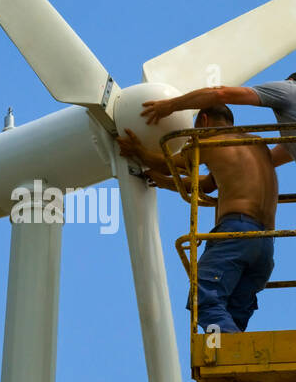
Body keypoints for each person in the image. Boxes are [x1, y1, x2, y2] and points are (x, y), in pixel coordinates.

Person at [141, 72, 296, 330]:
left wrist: (168, 107)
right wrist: (159, 179)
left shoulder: (290, 91)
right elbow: (235, 171)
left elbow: (221, 93)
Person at [118, 106, 277, 334]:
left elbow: (169, 163)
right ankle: (233, 357)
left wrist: (138, 151)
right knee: (233, 311)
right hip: (265, 244)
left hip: (235, 236)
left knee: (202, 302)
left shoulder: (211, 142)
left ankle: (227, 349)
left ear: (203, 120)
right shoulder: (257, 144)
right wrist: (163, 182)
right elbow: (205, 184)